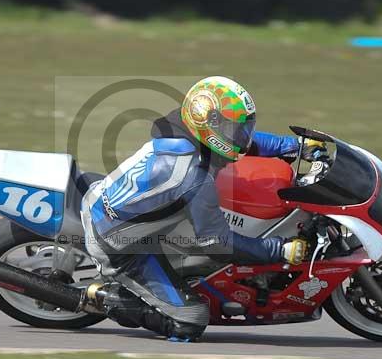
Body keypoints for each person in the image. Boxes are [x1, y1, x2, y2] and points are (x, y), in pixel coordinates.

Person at [80, 76, 324, 341]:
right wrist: (280, 250)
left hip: (119, 209)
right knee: (191, 320)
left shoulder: (184, 130)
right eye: (234, 128)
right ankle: (103, 296)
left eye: (242, 127)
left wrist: (295, 146)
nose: (241, 135)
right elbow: (217, 244)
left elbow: (245, 144)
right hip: (120, 246)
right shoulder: (191, 177)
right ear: (210, 124)